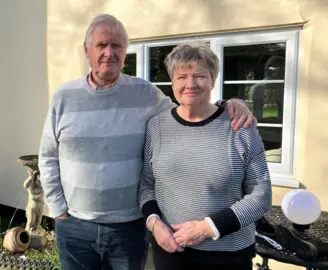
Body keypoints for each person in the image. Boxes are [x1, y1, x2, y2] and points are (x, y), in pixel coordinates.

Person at [38, 14, 255, 270]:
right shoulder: (64, 97)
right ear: (87, 50)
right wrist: (58, 209)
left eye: (116, 46)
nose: (109, 53)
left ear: (125, 51)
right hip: (75, 227)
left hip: (129, 229)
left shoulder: (146, 94)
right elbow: (48, 155)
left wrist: (228, 104)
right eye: (101, 45)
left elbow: (189, 109)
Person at [138, 43, 272, 270]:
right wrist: (154, 224)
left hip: (228, 256)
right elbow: (147, 185)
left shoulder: (239, 126)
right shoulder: (156, 127)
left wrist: (208, 228)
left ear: (213, 79)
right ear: (172, 82)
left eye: (199, 76)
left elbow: (261, 195)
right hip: (170, 252)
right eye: (181, 77)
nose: (190, 84)